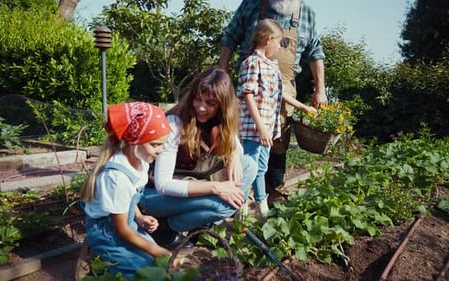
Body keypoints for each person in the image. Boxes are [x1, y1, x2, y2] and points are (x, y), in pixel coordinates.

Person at [139, 67, 258, 247]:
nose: (201, 107)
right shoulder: (176, 122)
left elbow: (237, 147)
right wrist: (216, 188)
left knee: (249, 164)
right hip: (155, 197)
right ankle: (170, 226)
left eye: (210, 103)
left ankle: (180, 224)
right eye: (197, 99)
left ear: (222, 105)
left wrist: (234, 156)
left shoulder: (223, 121)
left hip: (191, 185)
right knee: (223, 206)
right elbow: (163, 184)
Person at [219, 0, 328, 193]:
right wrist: (221, 74)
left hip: (283, 85)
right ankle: (241, 192)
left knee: (278, 139)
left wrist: (320, 89)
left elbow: (315, 51)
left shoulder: (306, 12)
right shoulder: (251, 5)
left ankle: (272, 189)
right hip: (251, 85)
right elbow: (229, 38)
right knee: (247, 140)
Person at [79, 102, 172, 279]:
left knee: (156, 265)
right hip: (108, 233)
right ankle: (96, 254)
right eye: (155, 144)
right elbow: (120, 229)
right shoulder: (117, 177)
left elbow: (129, 200)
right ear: (133, 141)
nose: (160, 151)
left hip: (127, 225)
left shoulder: (142, 162)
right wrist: (156, 249)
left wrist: (139, 217)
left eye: (162, 144)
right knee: (141, 272)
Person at [237, 19, 316, 220]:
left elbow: (280, 94)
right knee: (249, 167)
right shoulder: (252, 63)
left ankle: (261, 204)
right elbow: (247, 95)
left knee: (262, 167)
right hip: (254, 128)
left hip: (267, 128)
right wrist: (261, 127)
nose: (280, 47)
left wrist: (303, 106)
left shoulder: (271, 65)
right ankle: (241, 207)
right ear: (268, 39)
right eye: (279, 43)